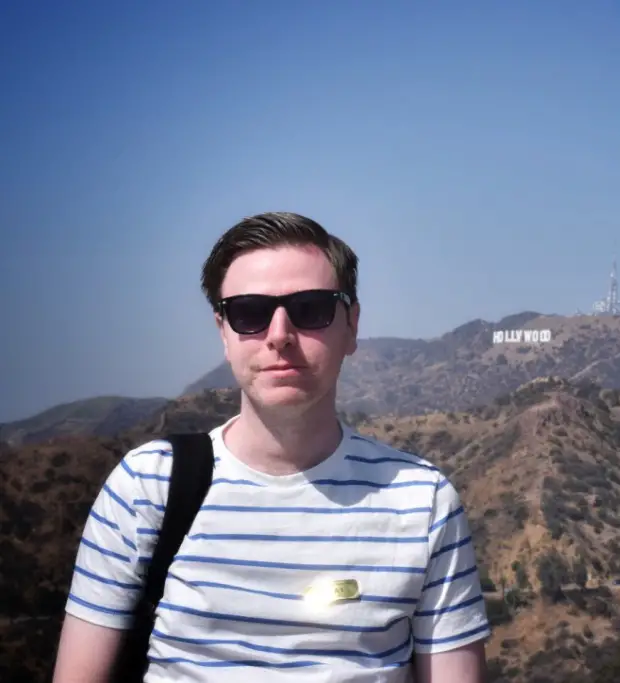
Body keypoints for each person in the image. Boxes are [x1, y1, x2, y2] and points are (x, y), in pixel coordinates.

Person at [52, 212, 491, 682]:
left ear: (352, 324)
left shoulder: (423, 501)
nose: (279, 334)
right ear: (223, 330)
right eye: (249, 313)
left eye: (310, 309)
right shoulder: (147, 486)